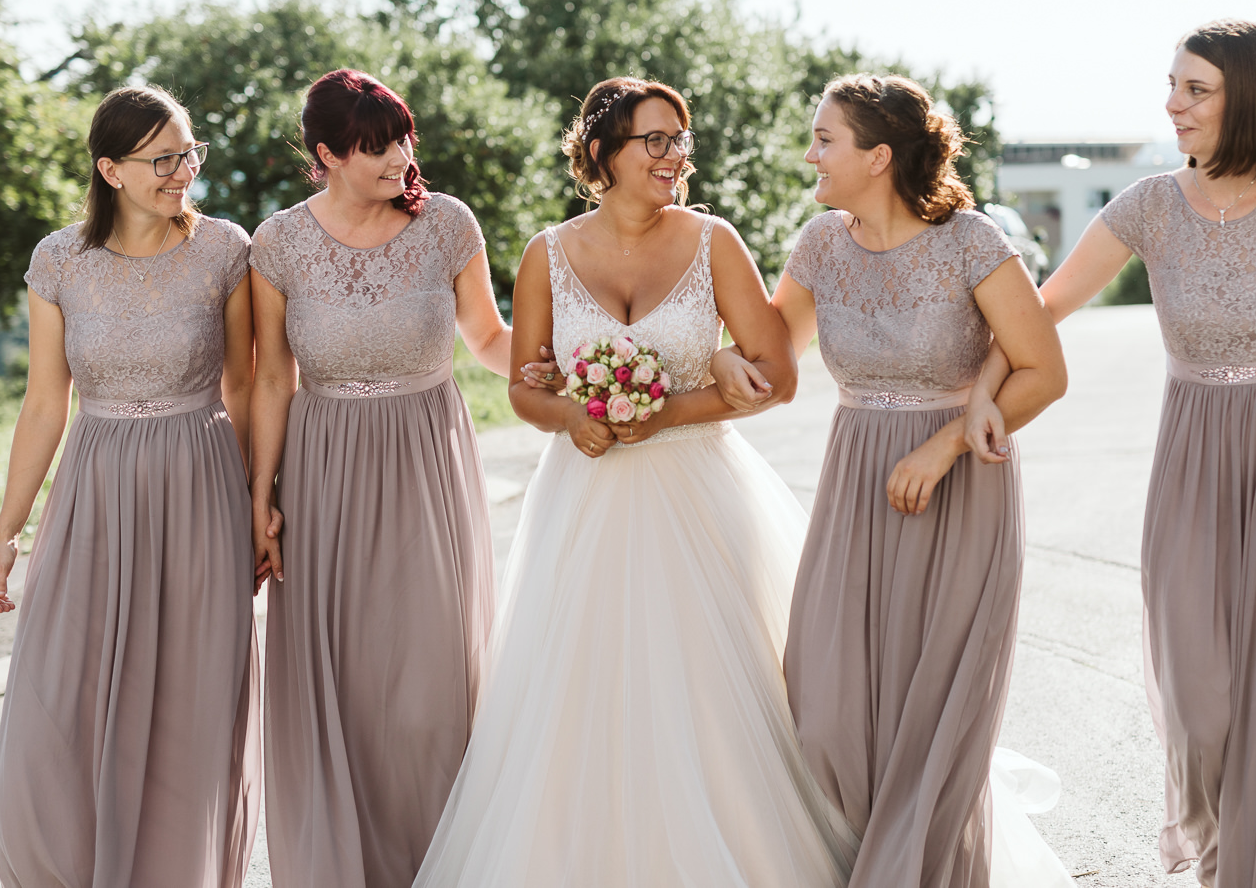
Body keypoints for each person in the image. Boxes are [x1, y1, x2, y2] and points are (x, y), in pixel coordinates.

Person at [966, 19, 1256, 886]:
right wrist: (984, 384)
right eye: (1172, 85)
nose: (1173, 105)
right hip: (1194, 464)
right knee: (1200, 704)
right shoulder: (1148, 206)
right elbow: (1044, 306)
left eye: (1193, 88)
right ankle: (1221, 853)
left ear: (1246, 95)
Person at [415, 77, 859, 887]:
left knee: (709, 692)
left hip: (698, 488)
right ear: (601, 153)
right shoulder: (546, 253)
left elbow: (779, 373)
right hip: (583, 497)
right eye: (653, 140)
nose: (674, 156)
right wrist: (570, 417)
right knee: (580, 692)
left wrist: (673, 407)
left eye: (679, 140)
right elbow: (522, 386)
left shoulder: (713, 240)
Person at [711, 74, 1074, 887]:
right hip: (855, 487)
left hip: (959, 488)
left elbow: (1044, 371)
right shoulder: (819, 245)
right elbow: (773, 363)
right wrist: (721, 356)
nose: (811, 153)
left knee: (934, 719)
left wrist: (944, 445)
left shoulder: (971, 241)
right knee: (830, 711)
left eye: (825, 139)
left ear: (878, 156)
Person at [0, 86, 259, 887]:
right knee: (56, 704)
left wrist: (255, 502)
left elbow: (246, 389)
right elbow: (43, 403)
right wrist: (7, 531)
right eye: (164, 158)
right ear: (111, 169)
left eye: (190, 152)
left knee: (187, 710)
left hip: (200, 485)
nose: (184, 171)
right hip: (93, 487)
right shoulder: (59, 259)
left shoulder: (224, 250)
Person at [250, 69, 518, 888]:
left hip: (426, 460)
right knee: (343, 681)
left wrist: (576, 378)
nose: (401, 158)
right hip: (322, 467)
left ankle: (445, 862)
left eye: (404, 138)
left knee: (429, 683)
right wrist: (261, 494)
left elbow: (490, 339)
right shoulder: (278, 243)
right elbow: (270, 379)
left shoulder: (447, 225)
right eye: (376, 146)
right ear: (326, 154)